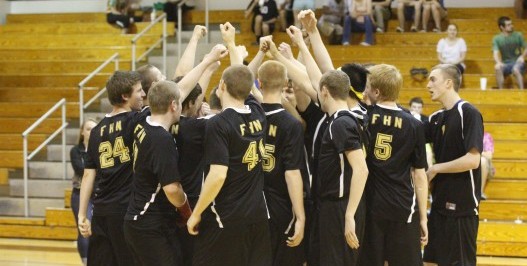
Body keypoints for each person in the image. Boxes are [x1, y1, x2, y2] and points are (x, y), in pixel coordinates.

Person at [187, 33, 272, 265]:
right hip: (258, 215)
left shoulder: (219, 123)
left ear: (221, 86)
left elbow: (218, 175)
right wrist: (232, 43)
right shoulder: (258, 112)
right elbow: (243, 76)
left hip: (226, 217)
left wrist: (196, 213)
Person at [358, 64, 428, 266]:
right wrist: (423, 217)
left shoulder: (364, 117)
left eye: (368, 86)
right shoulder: (414, 124)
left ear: (376, 91)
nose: (365, 90)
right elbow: (420, 175)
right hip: (403, 207)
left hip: (371, 205)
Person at [78, 70, 146, 266]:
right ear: (125, 96)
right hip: (125, 211)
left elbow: (88, 174)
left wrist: (83, 214)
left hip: (101, 211)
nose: (143, 95)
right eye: (139, 91)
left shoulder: (97, 130)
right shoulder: (136, 120)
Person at [123, 80, 192, 266]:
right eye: (179, 102)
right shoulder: (162, 139)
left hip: (138, 221)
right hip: (149, 225)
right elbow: (172, 189)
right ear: (173, 105)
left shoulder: (143, 122)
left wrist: (208, 63)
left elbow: (180, 89)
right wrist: (187, 211)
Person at [423, 64, 484, 266]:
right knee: (433, 261)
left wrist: (435, 168)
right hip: (438, 206)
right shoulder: (435, 118)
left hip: (462, 209)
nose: (428, 85)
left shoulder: (469, 112)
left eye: (433, 79)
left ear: (449, 83)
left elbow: (473, 160)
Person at [315, 70, 369, 266]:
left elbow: (361, 170)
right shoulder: (344, 119)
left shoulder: (341, 123)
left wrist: (349, 215)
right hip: (339, 206)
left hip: (341, 206)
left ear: (324, 91)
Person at [258, 60, 306, 265]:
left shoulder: (249, 116)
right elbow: (292, 173)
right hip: (279, 205)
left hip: (250, 202)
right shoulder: (291, 124)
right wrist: (301, 215)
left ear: (259, 83)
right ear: (286, 82)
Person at [69, 119, 97, 266]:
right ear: (82, 132)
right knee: (84, 229)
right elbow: (80, 169)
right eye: (88, 129)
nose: (91, 132)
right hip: (79, 194)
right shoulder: (76, 150)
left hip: (98, 194)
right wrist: (93, 170)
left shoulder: (101, 148)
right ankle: (85, 262)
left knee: (97, 230)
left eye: (94, 129)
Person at [493, 16, 527, 89]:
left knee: (516, 69)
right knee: (497, 68)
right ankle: (500, 92)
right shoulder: (497, 38)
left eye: (511, 24)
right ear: (502, 27)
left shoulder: (518, 35)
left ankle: (522, 92)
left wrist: (522, 56)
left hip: (518, 62)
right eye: (508, 25)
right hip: (506, 63)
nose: (511, 26)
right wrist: (498, 62)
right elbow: (495, 53)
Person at [481, 132, 495, 200]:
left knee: (482, 161)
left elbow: (489, 155)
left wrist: (476, 152)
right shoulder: (465, 135)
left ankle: (480, 192)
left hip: (484, 166)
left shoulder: (486, 136)